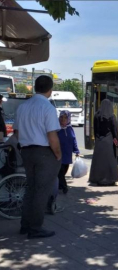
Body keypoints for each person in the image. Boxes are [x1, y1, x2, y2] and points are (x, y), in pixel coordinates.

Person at [13, 75, 61, 239]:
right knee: (41, 190)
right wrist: (58, 155)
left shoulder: (23, 106)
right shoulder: (47, 108)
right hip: (43, 152)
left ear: (35, 87)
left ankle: (25, 225)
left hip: (26, 151)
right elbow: (52, 136)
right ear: (50, 89)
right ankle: (35, 227)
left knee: (30, 188)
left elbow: (17, 132)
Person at [89, 99, 118, 186]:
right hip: (109, 142)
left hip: (99, 141)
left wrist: (97, 139)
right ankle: (110, 179)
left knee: (99, 161)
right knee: (109, 162)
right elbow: (115, 131)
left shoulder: (96, 115)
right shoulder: (112, 116)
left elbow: (95, 129)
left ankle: (99, 179)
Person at [57, 110, 80, 194]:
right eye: (61, 117)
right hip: (59, 153)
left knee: (64, 171)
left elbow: (73, 140)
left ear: (68, 119)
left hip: (67, 154)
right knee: (60, 171)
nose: (63, 119)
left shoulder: (70, 129)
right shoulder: (56, 129)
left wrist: (76, 150)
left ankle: (60, 185)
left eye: (65, 117)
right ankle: (64, 186)